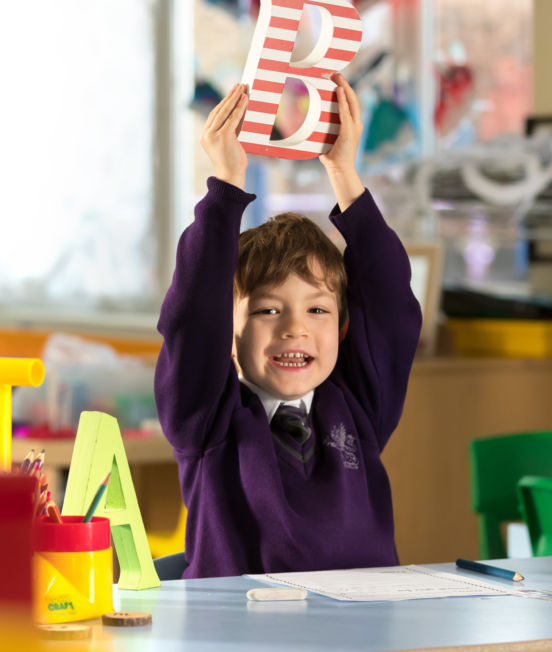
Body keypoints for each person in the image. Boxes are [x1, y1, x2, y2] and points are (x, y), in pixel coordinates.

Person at [155, 73, 423, 579]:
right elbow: (192, 316)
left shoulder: (359, 408)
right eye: (267, 310)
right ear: (227, 332)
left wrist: (344, 172)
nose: (294, 329)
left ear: (343, 327)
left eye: (317, 310)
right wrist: (227, 186)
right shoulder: (206, 420)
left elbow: (391, 306)